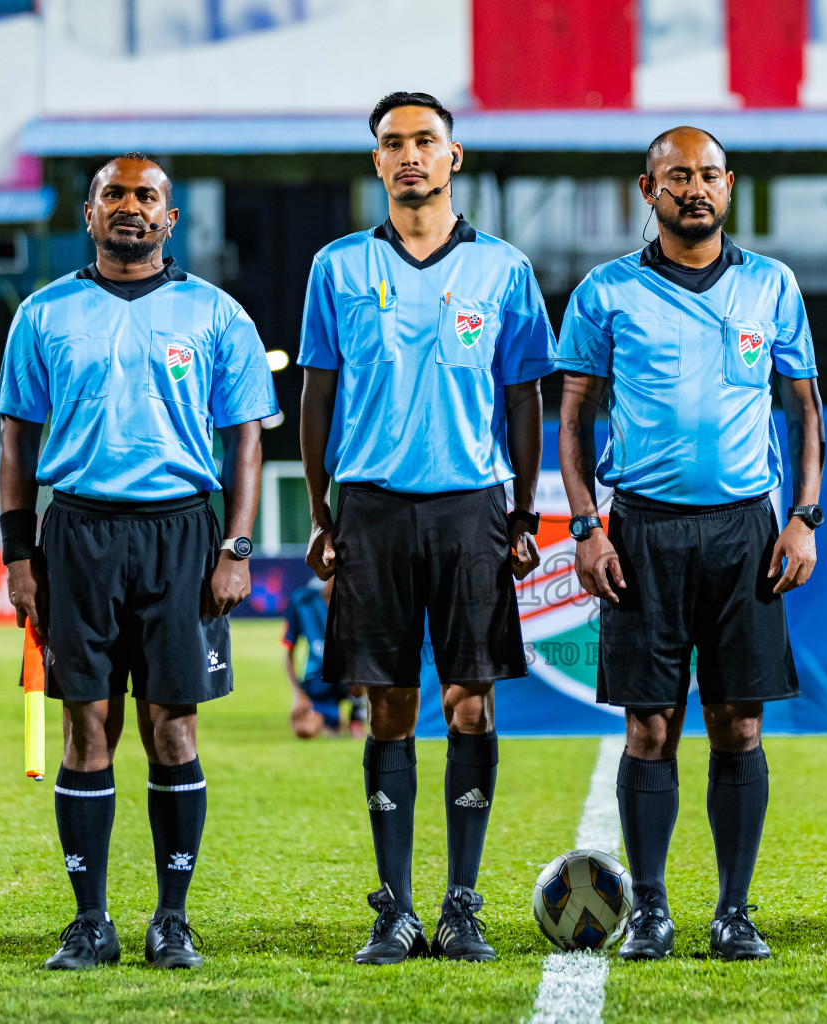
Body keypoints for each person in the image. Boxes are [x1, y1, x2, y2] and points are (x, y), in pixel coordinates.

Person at [0, 153, 277, 971]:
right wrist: (20, 553)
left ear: (170, 217)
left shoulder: (216, 314)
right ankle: (90, 922)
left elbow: (247, 439)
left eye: (145, 195)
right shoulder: (43, 314)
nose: (129, 207)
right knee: (89, 725)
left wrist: (236, 546)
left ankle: (171, 919)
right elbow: (17, 440)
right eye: (112, 194)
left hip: (184, 536)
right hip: (77, 535)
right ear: (88, 214)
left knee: (173, 726)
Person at [298, 92, 553, 965]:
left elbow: (524, 394)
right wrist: (323, 513)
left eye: (425, 142)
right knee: (388, 706)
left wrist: (521, 510)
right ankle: (396, 909)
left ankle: (462, 904)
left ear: (454, 156)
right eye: (393, 143)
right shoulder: (334, 267)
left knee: (471, 699)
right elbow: (317, 395)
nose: (410, 156)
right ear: (377, 161)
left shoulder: (504, 269)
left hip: (470, 505)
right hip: (370, 506)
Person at [558, 126, 823, 962]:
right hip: (641, 528)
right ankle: (651, 910)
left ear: (730, 184)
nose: (695, 189)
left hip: (746, 528)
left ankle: (734, 911)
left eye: (709, 174)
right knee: (650, 726)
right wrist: (587, 526)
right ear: (648, 189)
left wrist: (804, 517)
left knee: (739, 725)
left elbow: (807, 411)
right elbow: (571, 418)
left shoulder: (772, 286)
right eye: (678, 177)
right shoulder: (605, 292)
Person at [283, 578, 366, 737]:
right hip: (317, 681)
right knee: (306, 730)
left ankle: (357, 713)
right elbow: (288, 652)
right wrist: (298, 694)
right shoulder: (302, 601)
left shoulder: (358, 600)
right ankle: (328, 717)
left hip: (350, 680)